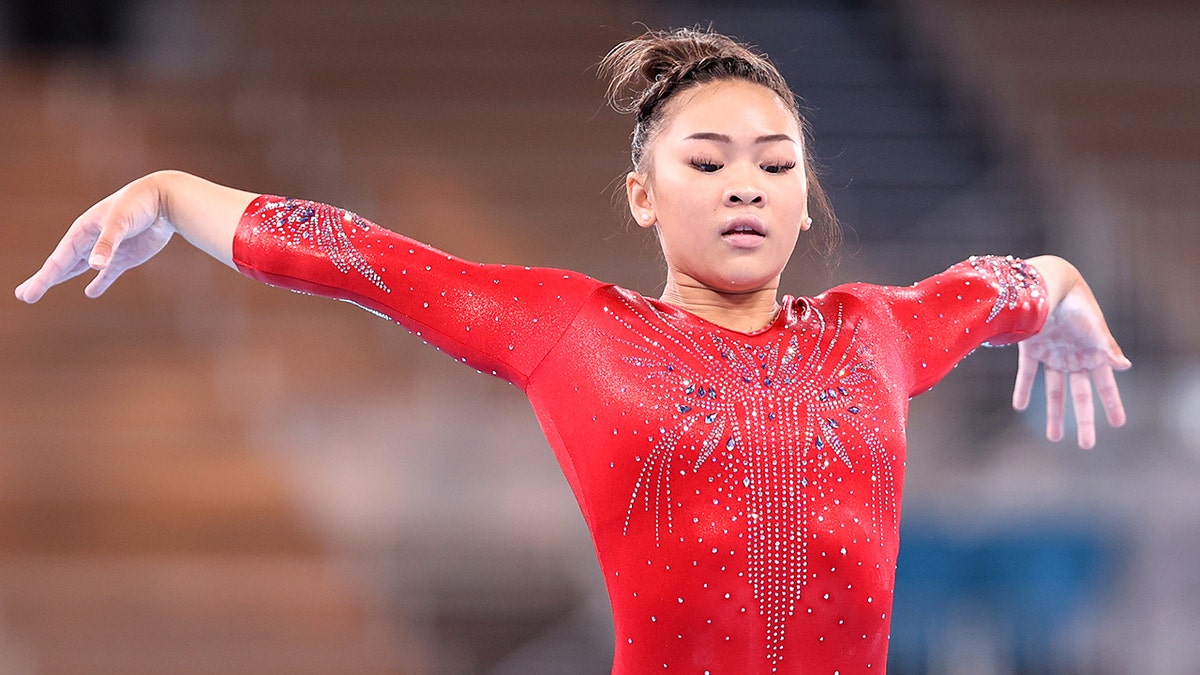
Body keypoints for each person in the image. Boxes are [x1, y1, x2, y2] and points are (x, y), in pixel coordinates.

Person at [15, 27, 1127, 675]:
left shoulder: (874, 330)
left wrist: (1070, 303)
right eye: (708, 160)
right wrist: (171, 191)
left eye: (775, 163)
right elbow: (357, 255)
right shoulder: (575, 330)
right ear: (642, 196)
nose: (746, 180)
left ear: (803, 198)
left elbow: (1004, 287)